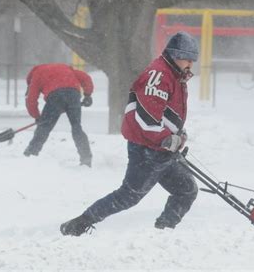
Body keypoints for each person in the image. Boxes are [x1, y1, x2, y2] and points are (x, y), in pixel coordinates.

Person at [60, 32, 199, 236]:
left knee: (186, 189)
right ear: (175, 55)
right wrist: (168, 139)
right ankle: (80, 223)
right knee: (129, 195)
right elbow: (146, 119)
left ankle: (163, 231)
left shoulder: (174, 75)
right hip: (147, 150)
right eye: (187, 58)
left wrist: (179, 134)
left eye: (192, 60)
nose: (190, 64)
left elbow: (168, 112)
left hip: (162, 149)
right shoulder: (158, 76)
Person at [23, 63, 94, 167]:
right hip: (73, 93)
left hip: (55, 95)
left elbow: (31, 99)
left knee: (44, 127)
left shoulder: (36, 75)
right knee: (76, 127)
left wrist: (37, 116)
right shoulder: (65, 68)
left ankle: (31, 153)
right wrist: (87, 95)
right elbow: (85, 77)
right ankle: (86, 157)